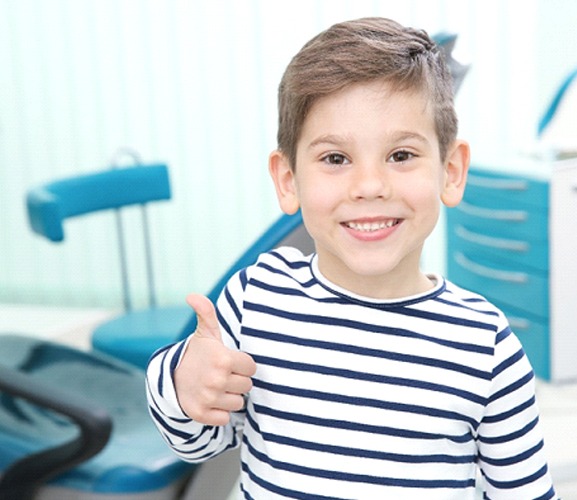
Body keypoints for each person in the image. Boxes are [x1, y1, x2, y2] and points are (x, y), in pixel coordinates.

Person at [146, 17, 557, 499]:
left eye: (401, 155)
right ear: (288, 180)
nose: (369, 187)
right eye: (336, 159)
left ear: (450, 171)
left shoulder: (485, 344)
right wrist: (182, 381)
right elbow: (194, 445)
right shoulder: (258, 296)